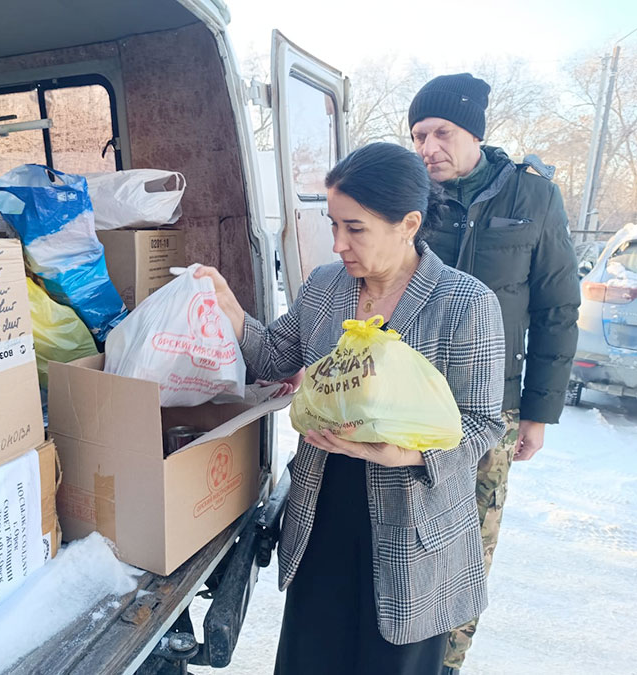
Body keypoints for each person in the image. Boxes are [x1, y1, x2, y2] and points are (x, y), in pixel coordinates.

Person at [196, 142, 506, 674]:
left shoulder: (464, 304)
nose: (338, 243)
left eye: (354, 228)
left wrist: (404, 455)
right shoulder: (325, 288)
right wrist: (229, 308)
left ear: (408, 224)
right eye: (333, 224)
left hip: (414, 530)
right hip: (324, 513)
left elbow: (482, 425)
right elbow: (275, 356)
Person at [408, 73, 581, 674]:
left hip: (492, 409)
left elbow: (557, 307)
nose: (428, 147)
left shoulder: (532, 198)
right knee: (403, 537)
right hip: (406, 403)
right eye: (419, 135)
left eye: (441, 133)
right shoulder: (412, 194)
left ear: (473, 133)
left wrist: (537, 412)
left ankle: (446, 664)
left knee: (469, 547)